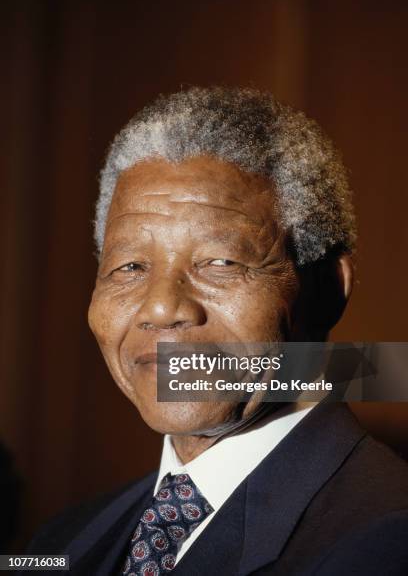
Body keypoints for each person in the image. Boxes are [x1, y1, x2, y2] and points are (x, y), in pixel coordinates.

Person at [26, 88, 408, 575]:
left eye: (220, 262)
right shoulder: (58, 544)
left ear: (328, 289)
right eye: (129, 266)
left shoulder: (386, 544)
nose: (162, 307)